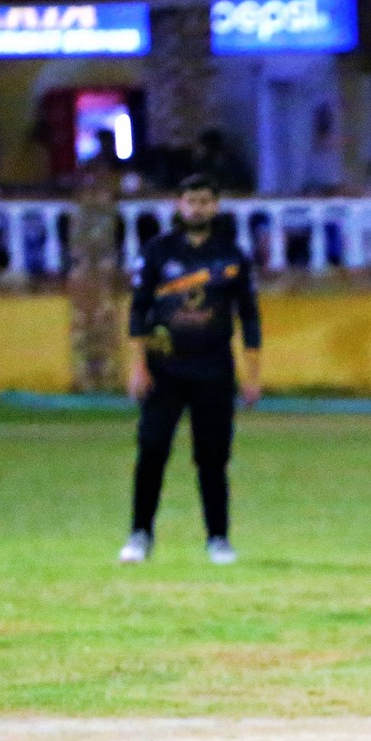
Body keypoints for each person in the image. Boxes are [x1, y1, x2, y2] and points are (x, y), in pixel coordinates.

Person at [119, 173, 262, 565]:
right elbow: (138, 310)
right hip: (164, 369)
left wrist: (252, 375)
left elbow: (249, 316)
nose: (198, 208)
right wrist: (138, 367)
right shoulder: (157, 251)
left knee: (212, 457)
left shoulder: (232, 256)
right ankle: (140, 535)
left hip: (214, 369)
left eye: (205, 201)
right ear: (178, 204)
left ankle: (218, 539)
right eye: (191, 200)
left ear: (215, 206)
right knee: (152, 450)